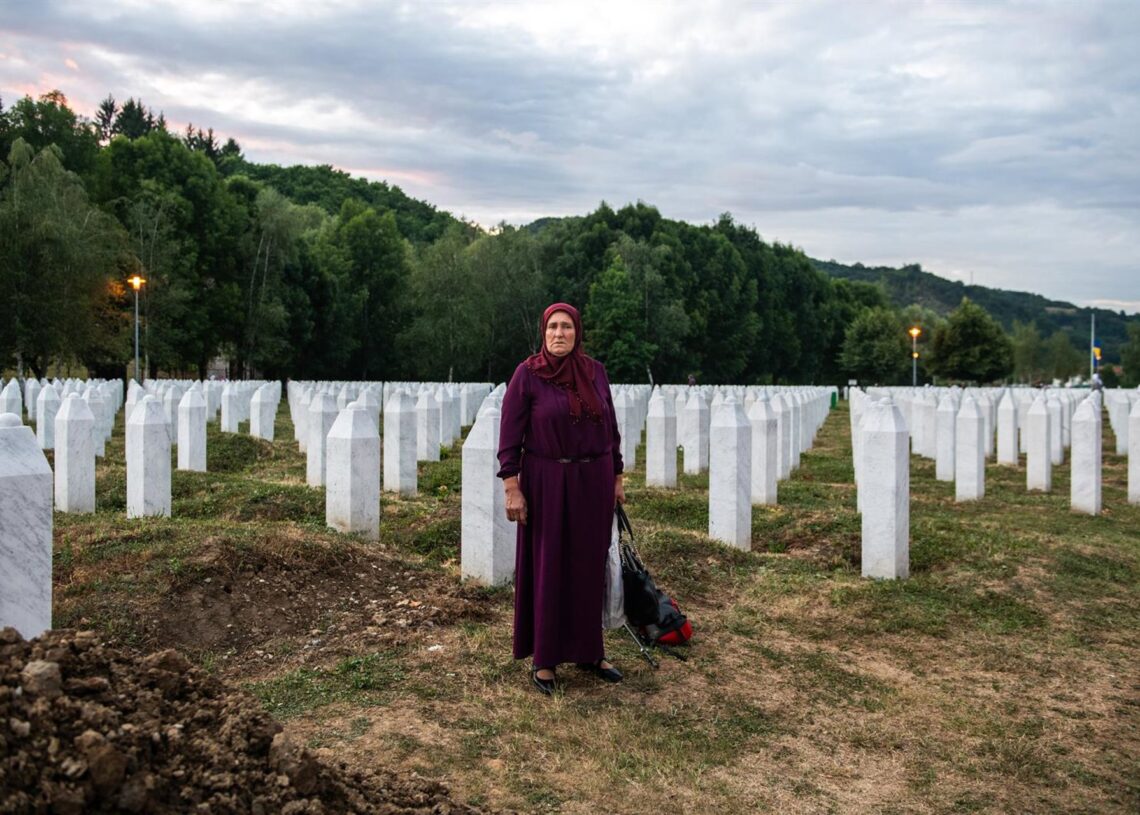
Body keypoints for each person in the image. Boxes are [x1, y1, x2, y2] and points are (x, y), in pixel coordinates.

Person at [497, 303, 626, 695]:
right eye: (552, 326)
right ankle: (546, 659)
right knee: (550, 566)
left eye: (566, 326)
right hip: (547, 479)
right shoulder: (528, 375)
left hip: (594, 479)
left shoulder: (595, 372)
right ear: (543, 331)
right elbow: (510, 436)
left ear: (577, 332)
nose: (559, 333)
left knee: (588, 565)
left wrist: (617, 477)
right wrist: (511, 486)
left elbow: (611, 430)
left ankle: (590, 651)